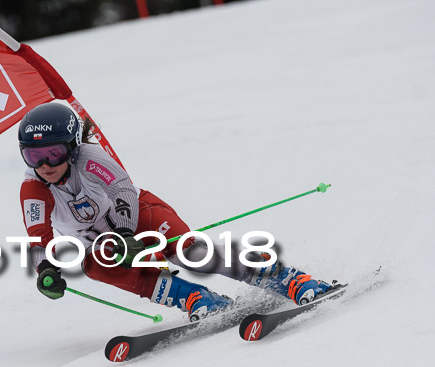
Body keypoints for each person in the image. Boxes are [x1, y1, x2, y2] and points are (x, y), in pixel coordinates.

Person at [18, 102, 333, 320]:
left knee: (191, 253)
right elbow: (38, 236)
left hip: (137, 216)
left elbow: (121, 190)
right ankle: (195, 298)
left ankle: (288, 279)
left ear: (73, 146)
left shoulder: (90, 158)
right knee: (95, 266)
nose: (44, 165)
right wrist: (45, 269)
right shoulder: (33, 187)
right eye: (33, 156)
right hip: (100, 244)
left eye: (54, 153)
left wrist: (126, 232)